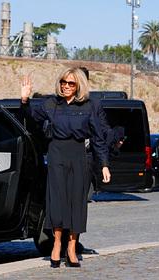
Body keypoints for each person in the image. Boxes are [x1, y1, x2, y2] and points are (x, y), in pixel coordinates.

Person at [21, 68, 111, 268]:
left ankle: (72, 247)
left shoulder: (89, 106)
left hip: (79, 155)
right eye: (63, 82)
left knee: (76, 202)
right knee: (57, 201)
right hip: (57, 154)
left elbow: (98, 138)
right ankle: (56, 244)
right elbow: (31, 120)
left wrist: (103, 164)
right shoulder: (51, 104)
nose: (66, 86)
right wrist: (25, 100)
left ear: (79, 85)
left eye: (71, 83)